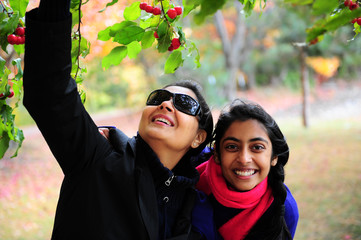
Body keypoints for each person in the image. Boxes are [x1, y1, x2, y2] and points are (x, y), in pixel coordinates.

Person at [23, 1, 213, 239]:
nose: (165, 104)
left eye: (184, 104)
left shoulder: (196, 202)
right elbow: (49, 91)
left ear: (199, 138)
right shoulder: (95, 157)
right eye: (159, 97)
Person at [191, 99, 299, 240]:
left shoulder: (284, 209)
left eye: (257, 147)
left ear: (274, 157)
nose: (244, 159)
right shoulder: (191, 184)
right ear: (217, 153)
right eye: (232, 147)